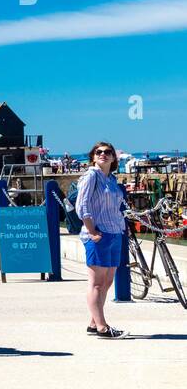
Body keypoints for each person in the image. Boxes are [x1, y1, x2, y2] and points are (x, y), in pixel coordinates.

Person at [76, 141, 127, 338]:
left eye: (107, 152)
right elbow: (82, 206)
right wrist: (92, 231)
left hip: (115, 232)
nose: (103, 154)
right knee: (96, 283)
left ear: (114, 158)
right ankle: (103, 327)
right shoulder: (91, 176)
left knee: (107, 281)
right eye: (99, 152)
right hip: (98, 234)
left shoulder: (112, 180)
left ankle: (93, 323)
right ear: (93, 156)